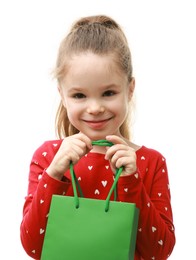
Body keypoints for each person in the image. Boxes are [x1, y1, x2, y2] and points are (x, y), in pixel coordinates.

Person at [20, 14, 175, 259]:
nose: (95, 108)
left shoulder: (151, 162)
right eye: (79, 95)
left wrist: (131, 181)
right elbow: (33, 246)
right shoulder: (48, 157)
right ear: (62, 94)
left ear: (130, 89)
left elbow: (159, 251)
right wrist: (53, 175)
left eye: (108, 92)